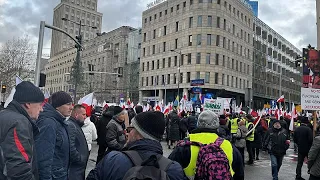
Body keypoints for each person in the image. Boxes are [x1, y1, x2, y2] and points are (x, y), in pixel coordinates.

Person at [87, 111, 186, 180]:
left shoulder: (112, 160)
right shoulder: (174, 170)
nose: (127, 133)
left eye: (130, 129)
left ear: (138, 134)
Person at [169, 110, 244, 180]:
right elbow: (239, 174)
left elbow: (169, 171)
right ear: (217, 125)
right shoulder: (228, 146)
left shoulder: (185, 145)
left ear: (198, 124)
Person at [0, 81, 44, 179]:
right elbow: (19, 168)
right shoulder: (19, 122)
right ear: (28, 104)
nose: (41, 109)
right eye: (40, 104)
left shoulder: (4, 115)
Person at [35, 91, 73, 180]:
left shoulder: (59, 122)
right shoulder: (49, 123)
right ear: (57, 106)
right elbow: (43, 158)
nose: (71, 107)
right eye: (68, 104)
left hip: (59, 175)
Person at [67, 104, 89, 180]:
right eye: (83, 114)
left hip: (78, 170)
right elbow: (70, 147)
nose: (85, 117)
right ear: (76, 115)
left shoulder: (76, 125)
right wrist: (80, 159)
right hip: (74, 171)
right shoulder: (71, 126)